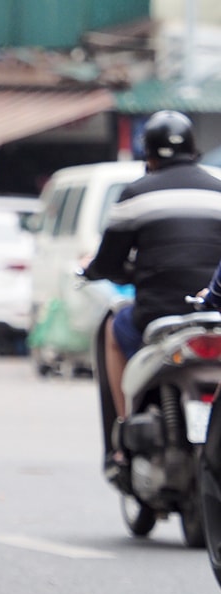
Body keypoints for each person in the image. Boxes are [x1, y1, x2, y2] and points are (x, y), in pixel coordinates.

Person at [82, 110, 221, 472]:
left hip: (157, 316)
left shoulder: (136, 194)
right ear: (194, 149)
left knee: (115, 327)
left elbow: (108, 263)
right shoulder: (220, 190)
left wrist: (110, 270)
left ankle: (124, 429)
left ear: (150, 155)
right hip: (215, 315)